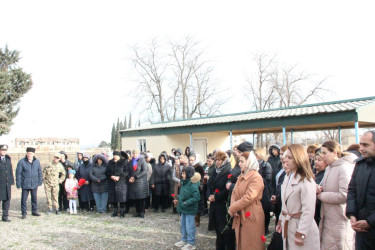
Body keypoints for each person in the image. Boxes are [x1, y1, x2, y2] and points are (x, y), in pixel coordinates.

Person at [276, 144, 319, 249]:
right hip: (289, 225)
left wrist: (301, 232)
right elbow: (284, 204)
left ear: (298, 159)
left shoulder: (306, 180)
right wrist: (280, 220)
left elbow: (308, 210)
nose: (286, 160)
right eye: (286, 157)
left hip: (301, 226)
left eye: (290, 158)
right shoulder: (288, 176)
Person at [317, 140, 356, 249]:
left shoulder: (344, 168)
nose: (322, 156)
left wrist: (321, 195)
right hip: (328, 217)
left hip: (339, 218)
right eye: (321, 153)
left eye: (325, 153)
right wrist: (320, 189)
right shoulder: (330, 168)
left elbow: (345, 195)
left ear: (334, 153)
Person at [228, 151, 265, 250]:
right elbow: (234, 192)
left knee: (251, 243)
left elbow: (249, 197)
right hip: (241, 213)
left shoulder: (256, 177)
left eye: (242, 161)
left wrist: (233, 208)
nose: (239, 164)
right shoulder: (242, 175)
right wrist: (234, 207)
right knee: (241, 243)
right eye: (239, 161)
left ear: (249, 162)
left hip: (252, 214)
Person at [347, 131, 375, 249]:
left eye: (365, 145)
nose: (361, 148)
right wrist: (352, 214)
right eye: (360, 145)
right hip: (362, 231)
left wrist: (370, 222)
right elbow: (352, 190)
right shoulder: (360, 165)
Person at [208, 150, 235, 250]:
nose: (217, 162)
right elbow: (210, 184)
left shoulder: (228, 170)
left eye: (219, 160)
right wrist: (209, 195)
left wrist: (217, 196)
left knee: (225, 231)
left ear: (224, 160)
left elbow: (227, 189)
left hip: (223, 205)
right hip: (215, 204)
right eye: (216, 160)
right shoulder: (216, 170)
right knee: (218, 231)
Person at [174, 166, 201, 250]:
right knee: (183, 225)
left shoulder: (193, 185)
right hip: (183, 208)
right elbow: (183, 194)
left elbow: (196, 197)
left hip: (190, 209)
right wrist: (178, 199)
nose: (182, 175)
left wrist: (186, 202)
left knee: (190, 226)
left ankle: (191, 242)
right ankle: (184, 239)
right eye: (182, 173)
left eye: (184, 173)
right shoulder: (184, 183)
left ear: (189, 174)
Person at [16, 147, 43, 219]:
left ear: (34, 154)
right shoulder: (22, 162)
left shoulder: (37, 162)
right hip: (25, 184)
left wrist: (40, 181)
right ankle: (24, 213)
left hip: (34, 183)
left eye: (31, 153)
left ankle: (34, 211)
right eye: (28, 153)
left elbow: (39, 172)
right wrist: (18, 183)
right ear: (26, 153)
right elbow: (18, 173)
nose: (29, 155)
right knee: (24, 199)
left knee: (34, 198)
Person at [254, 148, 272, 235]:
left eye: (256, 155)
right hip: (257, 191)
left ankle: (265, 228)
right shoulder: (254, 165)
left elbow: (268, 178)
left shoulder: (266, 165)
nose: (255, 156)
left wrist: (257, 179)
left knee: (265, 210)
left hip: (265, 191)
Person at [107, 151, 129, 217]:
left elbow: (126, 171)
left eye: (116, 155)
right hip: (112, 182)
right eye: (114, 155)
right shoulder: (110, 162)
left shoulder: (124, 162)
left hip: (121, 182)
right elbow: (107, 171)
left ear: (119, 156)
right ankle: (115, 211)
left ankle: (122, 211)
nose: (115, 156)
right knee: (114, 198)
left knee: (121, 197)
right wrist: (111, 176)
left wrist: (119, 177)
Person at [128, 149, 148, 218]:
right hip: (133, 182)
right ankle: (137, 212)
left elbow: (144, 171)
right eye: (133, 153)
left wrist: (136, 177)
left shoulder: (142, 160)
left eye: (136, 153)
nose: (134, 155)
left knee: (141, 198)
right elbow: (128, 171)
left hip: (141, 182)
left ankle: (142, 212)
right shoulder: (130, 162)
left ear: (138, 154)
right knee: (136, 198)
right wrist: (130, 178)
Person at [0, 144, 14, 222]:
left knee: (7, 200)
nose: (4, 152)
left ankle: (5, 216)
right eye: (2, 150)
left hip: (6, 184)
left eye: (5, 150)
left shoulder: (8, 158)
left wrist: (11, 181)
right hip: (0, 183)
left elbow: (10, 170)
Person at [313, 148, 327, 225]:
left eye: (319, 160)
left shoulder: (326, 174)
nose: (316, 162)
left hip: (320, 209)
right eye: (315, 159)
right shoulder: (313, 173)